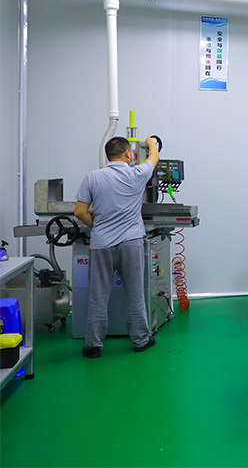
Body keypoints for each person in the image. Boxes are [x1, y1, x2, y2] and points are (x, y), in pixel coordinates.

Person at [73, 135, 160, 358]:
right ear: (128, 154)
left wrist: (98, 227)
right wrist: (151, 143)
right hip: (131, 243)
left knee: (98, 297)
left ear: (107, 156)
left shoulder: (92, 177)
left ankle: (93, 345)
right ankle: (141, 340)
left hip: (101, 244)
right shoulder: (137, 173)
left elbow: (80, 211)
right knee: (135, 294)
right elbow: (154, 157)